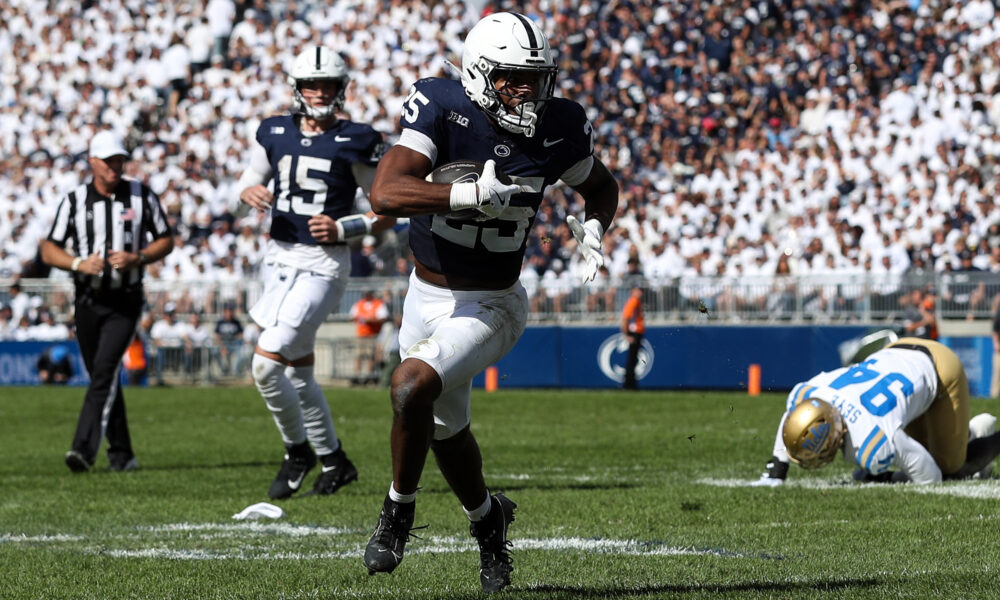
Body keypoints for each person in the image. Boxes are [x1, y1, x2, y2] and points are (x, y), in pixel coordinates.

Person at [362, 13, 619, 593]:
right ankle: (488, 523)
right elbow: (384, 192)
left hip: (494, 305)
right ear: (480, 75)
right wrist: (465, 191)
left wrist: (597, 226)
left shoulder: (560, 126)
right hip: (424, 295)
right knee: (447, 431)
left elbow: (601, 186)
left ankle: (397, 510)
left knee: (409, 387)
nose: (529, 90)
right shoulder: (441, 105)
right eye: (513, 78)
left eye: (536, 77)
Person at [235, 46, 394, 500]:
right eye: (312, 84)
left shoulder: (357, 138)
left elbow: (386, 208)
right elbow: (248, 177)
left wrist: (347, 227)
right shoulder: (275, 130)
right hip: (278, 260)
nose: (320, 93)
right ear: (297, 87)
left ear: (341, 89)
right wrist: (248, 191)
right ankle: (335, 460)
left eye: (328, 85)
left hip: (323, 265)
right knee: (300, 374)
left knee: (266, 366)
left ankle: (296, 451)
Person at [40, 129, 173, 473]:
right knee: (104, 376)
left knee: (103, 373)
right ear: (93, 162)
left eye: (120, 160)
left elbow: (165, 239)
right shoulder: (73, 201)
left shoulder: (141, 195)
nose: (116, 167)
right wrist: (77, 263)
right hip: (87, 299)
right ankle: (123, 454)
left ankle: (82, 450)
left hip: (124, 300)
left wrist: (138, 258)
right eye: (109, 161)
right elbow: (49, 247)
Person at [753, 338, 1000, 486]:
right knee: (914, 448)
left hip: (938, 367)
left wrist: (888, 478)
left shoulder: (871, 439)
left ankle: (981, 436)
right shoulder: (811, 396)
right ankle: (965, 436)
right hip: (895, 352)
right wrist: (777, 469)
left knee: (947, 467)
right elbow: (793, 418)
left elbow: (931, 477)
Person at [349, 289, 389, 382]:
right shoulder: (359, 304)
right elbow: (351, 317)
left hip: (373, 335)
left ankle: (369, 376)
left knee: (371, 356)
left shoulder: (378, 303)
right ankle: (357, 375)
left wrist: (370, 321)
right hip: (361, 335)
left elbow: (383, 318)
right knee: (358, 355)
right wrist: (358, 319)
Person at [621, 286, 645, 390]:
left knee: (633, 359)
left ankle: (630, 383)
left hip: (635, 332)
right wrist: (626, 335)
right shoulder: (634, 301)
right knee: (632, 359)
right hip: (634, 332)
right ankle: (629, 384)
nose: (640, 292)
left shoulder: (636, 301)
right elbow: (625, 318)